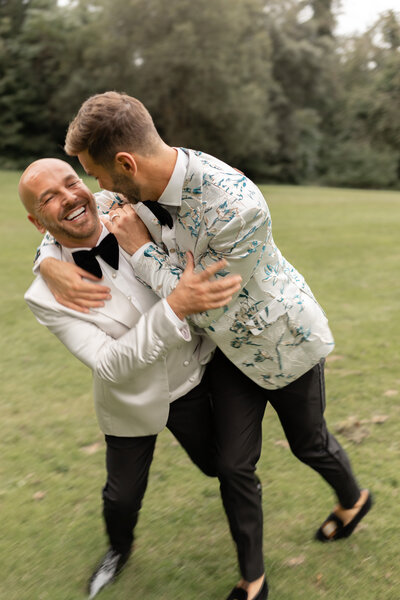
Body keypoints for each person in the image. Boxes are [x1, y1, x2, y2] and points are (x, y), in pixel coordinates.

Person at [36, 92, 372, 600]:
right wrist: (48, 262)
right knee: (234, 464)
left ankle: (354, 498)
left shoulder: (237, 206)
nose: (98, 188)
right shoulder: (130, 187)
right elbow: (72, 218)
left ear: (125, 163)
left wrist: (139, 249)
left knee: (310, 443)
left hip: (281, 342)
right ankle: (253, 581)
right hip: (226, 356)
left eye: (99, 175)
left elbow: (204, 303)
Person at [20, 158, 242, 599]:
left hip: (191, 377)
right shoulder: (43, 295)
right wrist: (175, 307)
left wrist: (44, 256)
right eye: (49, 198)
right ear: (36, 220)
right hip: (129, 399)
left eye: (71, 183)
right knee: (121, 497)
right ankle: (118, 550)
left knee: (219, 465)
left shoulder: (131, 209)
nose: (69, 198)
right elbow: (109, 364)